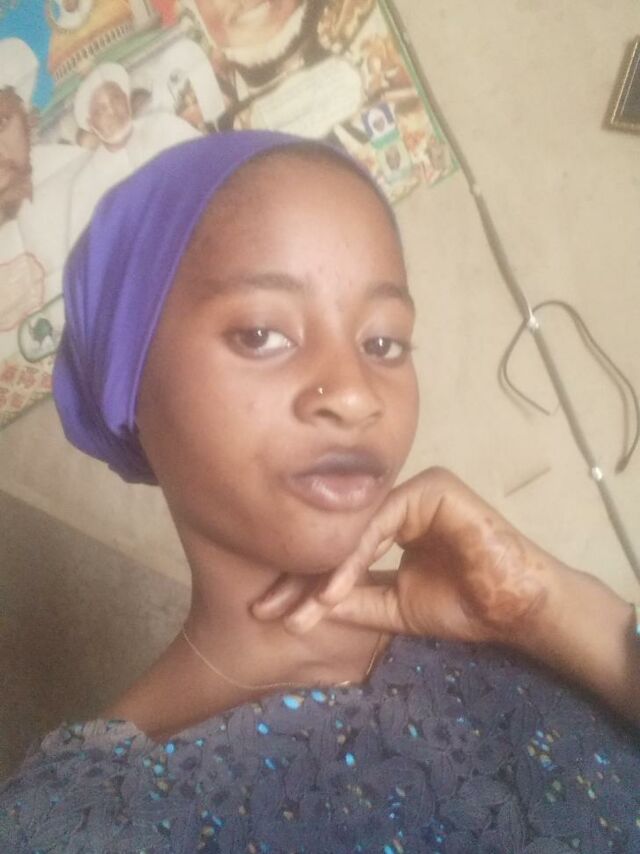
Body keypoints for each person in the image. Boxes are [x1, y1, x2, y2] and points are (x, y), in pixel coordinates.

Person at [0, 131, 638, 852]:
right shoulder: (77, 824)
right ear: (128, 385)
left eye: (383, 343)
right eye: (262, 334)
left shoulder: (525, 628)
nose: (357, 395)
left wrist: (549, 608)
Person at [68, 62, 200, 244]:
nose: (112, 111)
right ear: (91, 125)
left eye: (115, 99)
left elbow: (206, 163)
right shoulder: (85, 184)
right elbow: (86, 249)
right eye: (101, 109)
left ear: (126, 99)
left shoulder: (165, 125)